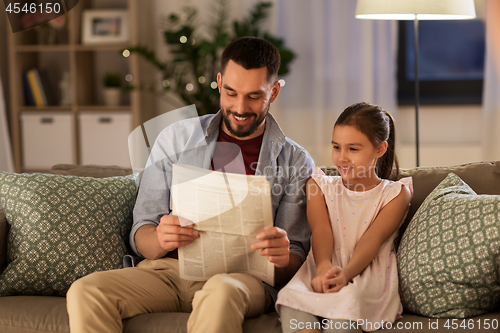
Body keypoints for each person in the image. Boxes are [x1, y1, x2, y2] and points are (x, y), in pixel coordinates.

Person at [66, 36, 315, 333]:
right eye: (231, 93)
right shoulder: (175, 139)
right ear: (219, 82)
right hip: (167, 273)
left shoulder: (295, 161)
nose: (239, 107)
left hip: (238, 280)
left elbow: (295, 258)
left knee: (221, 293)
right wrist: (160, 238)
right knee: (86, 290)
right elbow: (141, 231)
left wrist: (283, 256)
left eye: (253, 96)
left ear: (273, 91)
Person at [276, 102, 413, 333]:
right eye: (337, 147)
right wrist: (322, 269)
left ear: (379, 150)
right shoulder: (319, 186)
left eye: (353, 149)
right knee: (292, 301)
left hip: (361, 274)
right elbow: (321, 230)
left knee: (342, 320)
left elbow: (373, 239)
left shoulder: (396, 194)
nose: (342, 158)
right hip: (321, 266)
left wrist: (346, 274)